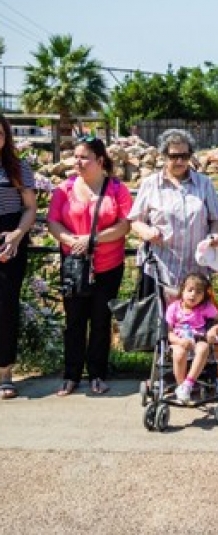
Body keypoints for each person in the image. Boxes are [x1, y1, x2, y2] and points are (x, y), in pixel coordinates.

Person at [47, 137, 132, 396]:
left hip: (108, 265)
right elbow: (53, 221)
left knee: (100, 321)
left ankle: (97, 374)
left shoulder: (117, 189)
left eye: (84, 157)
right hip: (74, 264)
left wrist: (93, 239)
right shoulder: (64, 189)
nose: (78, 162)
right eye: (76, 156)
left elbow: (125, 224)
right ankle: (71, 375)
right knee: (73, 321)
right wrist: (71, 241)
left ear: (100, 160)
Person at [129, 128, 218, 292]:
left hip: (196, 273)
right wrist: (147, 232)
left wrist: (214, 235)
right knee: (160, 318)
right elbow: (135, 220)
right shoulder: (150, 184)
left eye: (185, 156)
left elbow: (217, 218)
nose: (180, 161)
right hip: (159, 271)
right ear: (164, 155)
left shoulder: (204, 184)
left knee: (193, 318)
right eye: (174, 156)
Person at [0, 114, 38, 400]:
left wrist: (16, 235)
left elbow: (29, 208)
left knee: (5, 306)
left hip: (9, 237)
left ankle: (5, 372)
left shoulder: (17, 167)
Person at [166, 272, 218, 403]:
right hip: (179, 341)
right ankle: (181, 386)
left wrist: (214, 329)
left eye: (198, 292)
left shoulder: (205, 307)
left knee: (204, 348)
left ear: (203, 295)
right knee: (180, 353)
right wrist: (180, 341)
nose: (193, 295)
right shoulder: (173, 308)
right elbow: (169, 333)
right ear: (182, 291)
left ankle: (187, 385)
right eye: (190, 290)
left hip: (198, 340)